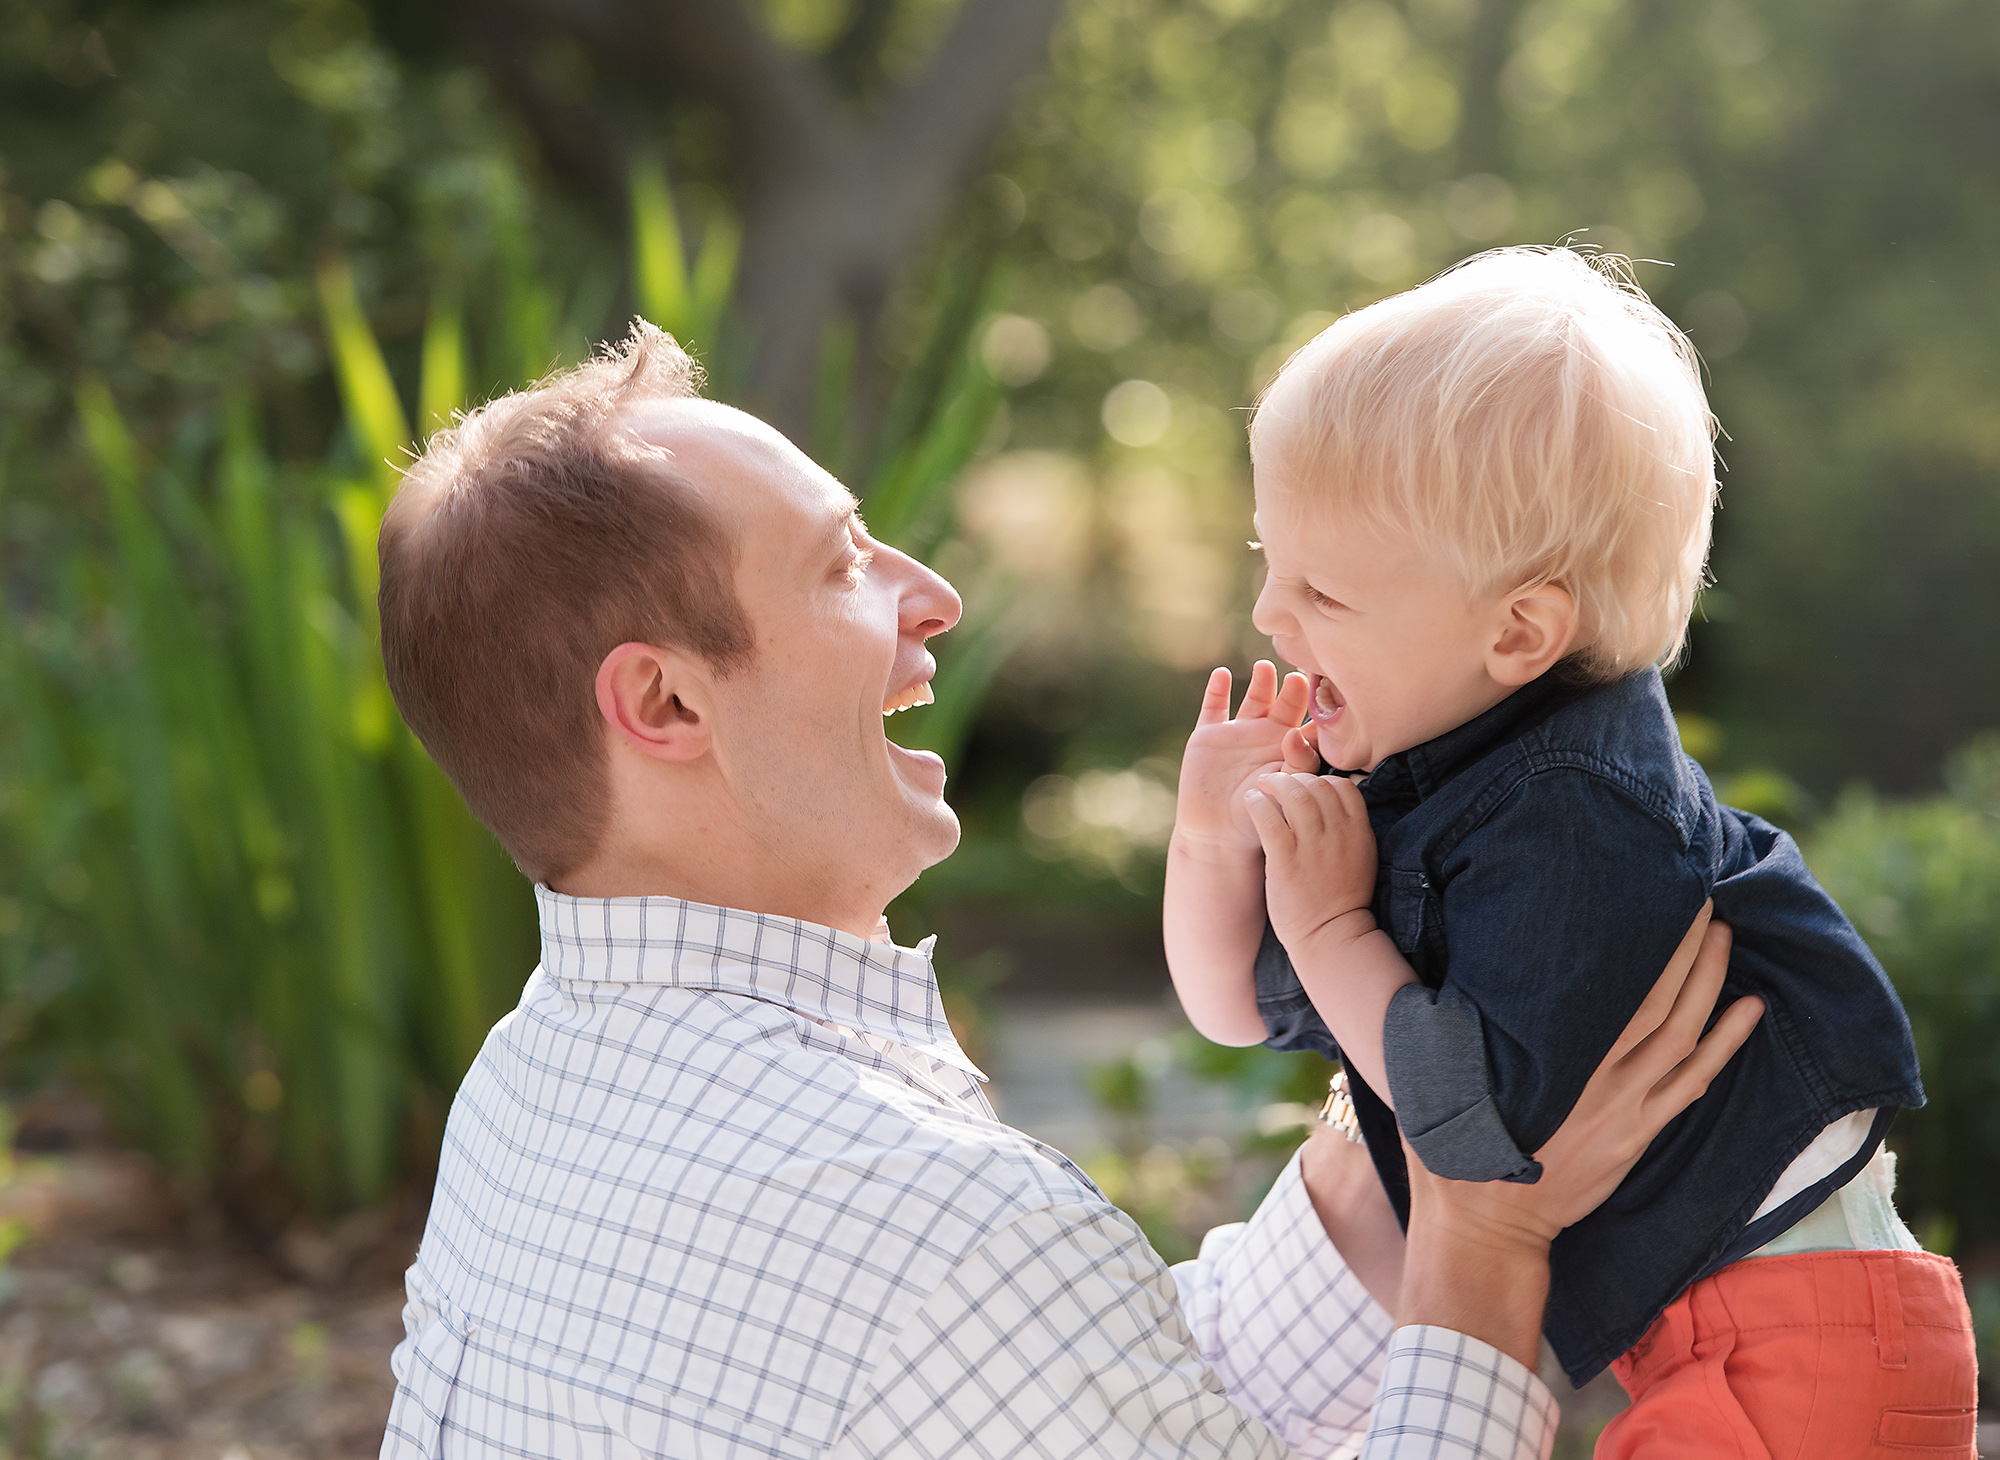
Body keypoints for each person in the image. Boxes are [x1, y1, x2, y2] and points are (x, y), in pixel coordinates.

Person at [370, 322, 1759, 1460]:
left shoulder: (527, 1097)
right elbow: (990, 1319)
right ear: (664, 700)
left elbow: (1072, 1390)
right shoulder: (931, 1231)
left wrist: (1393, 1145)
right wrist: (1486, 1233)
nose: (934, 598)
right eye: (842, 565)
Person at [1163, 247, 1977, 1453]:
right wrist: (1209, 840)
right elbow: (1236, 1010)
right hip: (1732, 1332)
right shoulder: (1439, 755)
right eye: (1263, 564)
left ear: (1517, 629)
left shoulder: (1583, 814)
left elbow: (1480, 1131)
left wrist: (1332, 926)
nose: (1271, 616)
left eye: (1321, 593)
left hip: (1807, 1346)